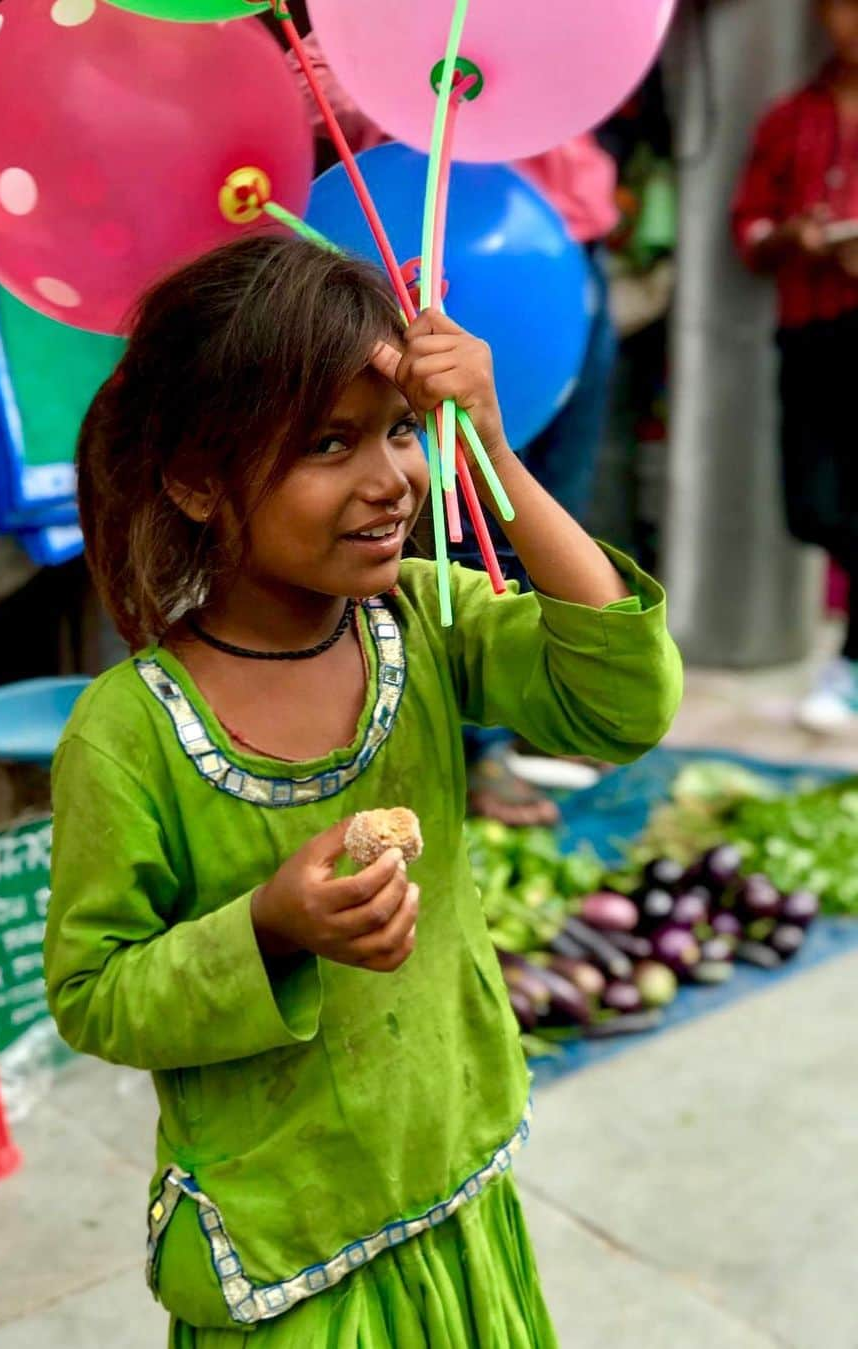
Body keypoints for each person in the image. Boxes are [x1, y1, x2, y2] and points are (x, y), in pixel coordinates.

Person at [44, 236, 682, 1344]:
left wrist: (492, 450)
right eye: (328, 443)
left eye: (399, 430)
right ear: (197, 476)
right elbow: (94, 991)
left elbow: (623, 702)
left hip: (453, 1184)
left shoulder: (424, 624)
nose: (392, 479)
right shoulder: (129, 732)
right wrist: (267, 929)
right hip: (287, 1248)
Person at [288, 30, 621, 822]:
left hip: (556, 257)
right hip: (425, 276)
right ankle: (457, 747)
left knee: (544, 502)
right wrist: (378, 79)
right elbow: (302, 99)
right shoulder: (365, 23)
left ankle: (535, 703)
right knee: (440, 528)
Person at [732, 0, 858, 732]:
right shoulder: (790, 118)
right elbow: (749, 233)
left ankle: (848, 666)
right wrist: (796, 238)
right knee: (813, 504)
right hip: (811, 329)